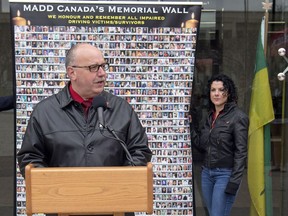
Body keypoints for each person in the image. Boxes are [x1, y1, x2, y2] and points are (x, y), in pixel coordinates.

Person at [17, 43, 152, 181]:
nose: (102, 73)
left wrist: (117, 182)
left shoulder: (122, 109)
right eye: (93, 68)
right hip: (62, 198)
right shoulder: (44, 112)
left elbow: (139, 152)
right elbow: (30, 159)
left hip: (112, 198)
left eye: (103, 66)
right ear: (72, 73)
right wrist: (56, 186)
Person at [190, 74, 249, 216]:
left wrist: (234, 181)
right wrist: (191, 126)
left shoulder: (238, 117)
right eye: (213, 90)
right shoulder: (209, 116)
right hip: (206, 174)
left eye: (221, 90)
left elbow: (241, 152)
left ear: (228, 93)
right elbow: (201, 144)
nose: (216, 93)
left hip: (225, 175)